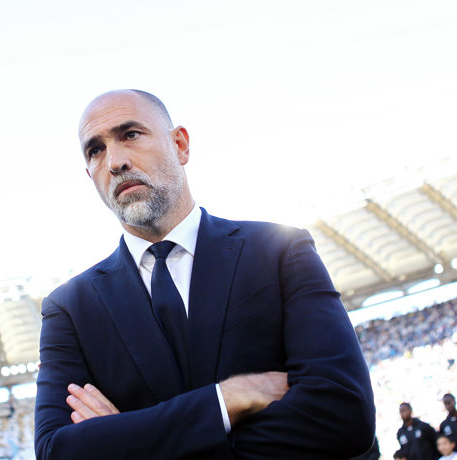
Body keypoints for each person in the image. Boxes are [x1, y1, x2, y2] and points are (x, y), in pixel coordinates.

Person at [34, 89, 376, 459]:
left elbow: (344, 414)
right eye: (95, 150)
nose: (115, 161)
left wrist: (128, 443)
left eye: (130, 134)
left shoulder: (278, 250)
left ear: (180, 145)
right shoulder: (69, 309)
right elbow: (56, 451)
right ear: (90, 175)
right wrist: (227, 399)